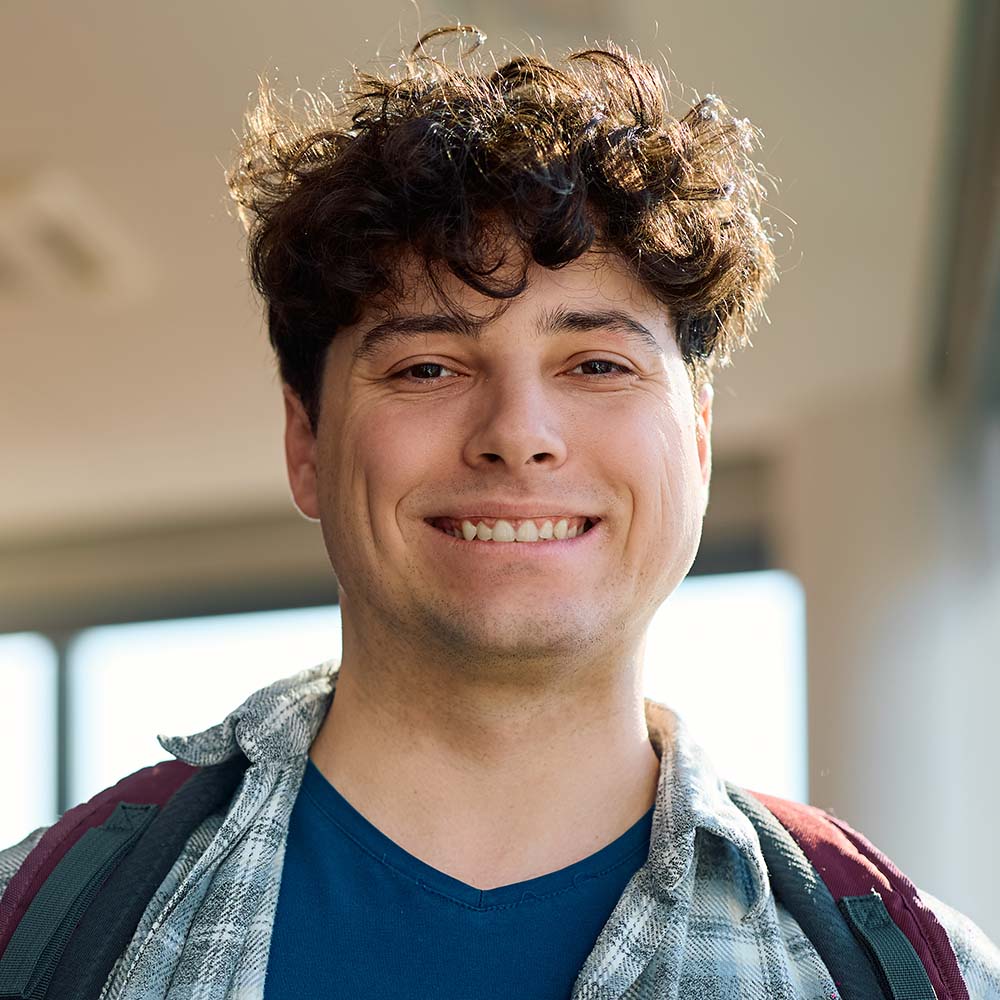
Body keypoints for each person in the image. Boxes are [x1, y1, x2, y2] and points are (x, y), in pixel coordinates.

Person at [2, 24, 999, 1000]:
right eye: (426, 367)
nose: (518, 434)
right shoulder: (34, 931)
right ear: (307, 442)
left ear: (696, 441)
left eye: (597, 365)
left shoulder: (920, 975)